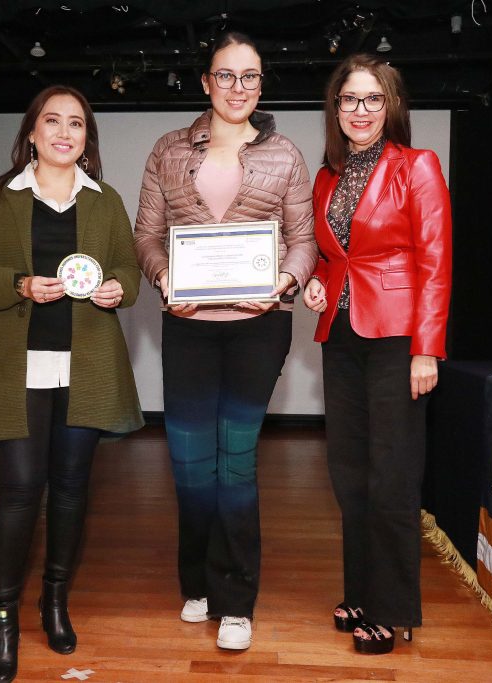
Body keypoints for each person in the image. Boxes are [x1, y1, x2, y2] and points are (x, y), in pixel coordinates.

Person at [134, 31, 317, 651]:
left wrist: (283, 283)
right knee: (190, 464)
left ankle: (236, 601)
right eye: (226, 75)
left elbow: (303, 239)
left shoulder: (285, 154)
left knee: (235, 462)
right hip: (187, 326)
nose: (238, 87)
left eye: (250, 76)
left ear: (261, 85)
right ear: (206, 82)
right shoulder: (167, 150)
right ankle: (199, 583)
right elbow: (147, 235)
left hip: (258, 328)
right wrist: (163, 277)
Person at [0, 85, 143, 682]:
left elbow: (129, 269)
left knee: (69, 490)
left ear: (87, 138)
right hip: (18, 366)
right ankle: (3, 618)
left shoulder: (105, 200)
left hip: (86, 364)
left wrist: (118, 288)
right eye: (53, 121)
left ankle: (55, 600)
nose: (65, 132)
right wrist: (19, 284)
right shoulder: (0, 198)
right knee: (18, 489)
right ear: (32, 133)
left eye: (77, 124)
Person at [303, 54, 452, 655]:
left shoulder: (418, 166)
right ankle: (361, 592)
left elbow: (435, 262)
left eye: (372, 99)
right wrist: (318, 281)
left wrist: (427, 350)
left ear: (390, 106)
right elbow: (333, 255)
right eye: (349, 99)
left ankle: (392, 608)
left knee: (392, 474)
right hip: (340, 336)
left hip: (397, 338)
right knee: (350, 473)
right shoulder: (327, 176)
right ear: (335, 108)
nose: (359, 110)